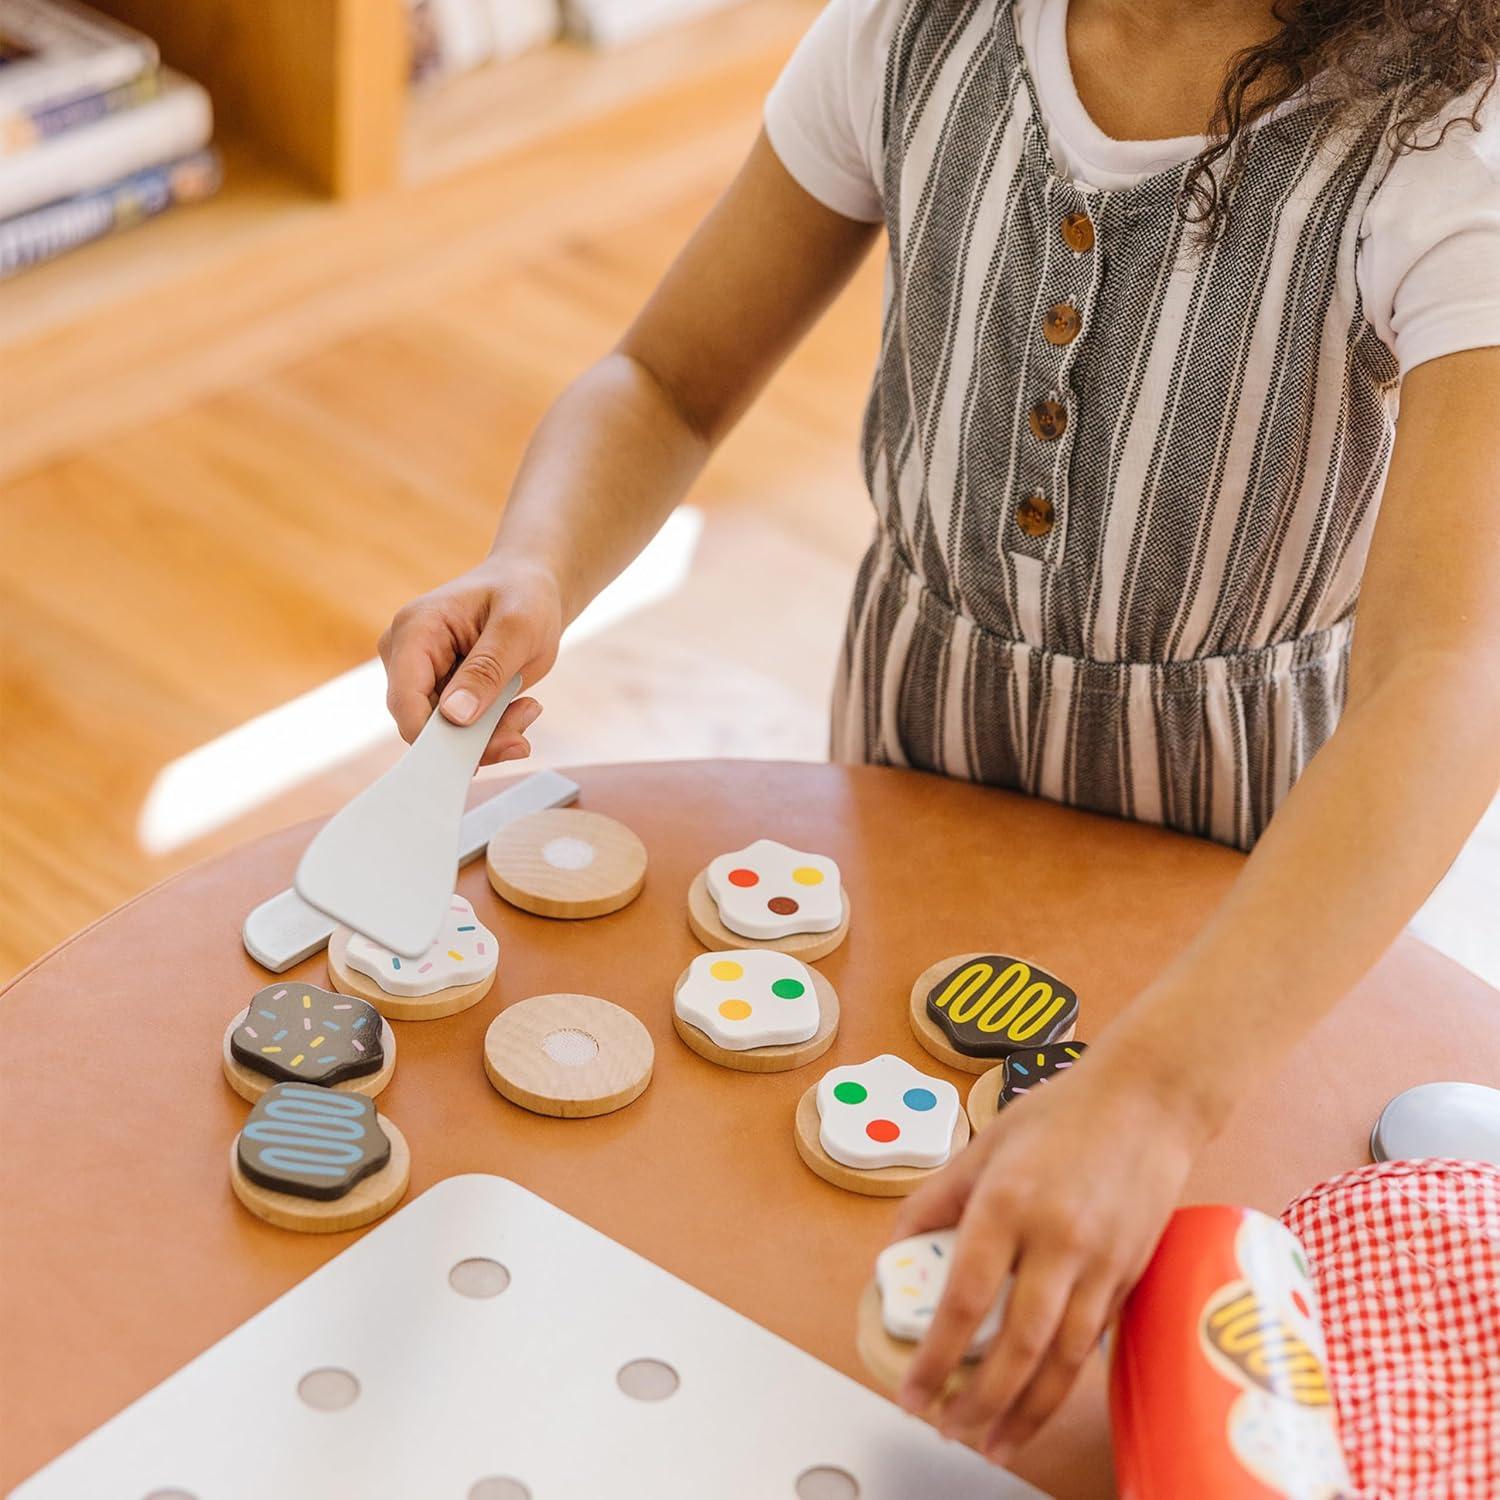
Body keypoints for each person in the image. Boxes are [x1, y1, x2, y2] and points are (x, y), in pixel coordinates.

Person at [380, 0, 1500, 1466]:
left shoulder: (1447, 146)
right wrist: (537, 559)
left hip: (1233, 907)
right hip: (905, 778)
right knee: (831, 1247)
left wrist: (1160, 1090)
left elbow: (1450, 675)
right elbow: (664, 379)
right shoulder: (918, 29)